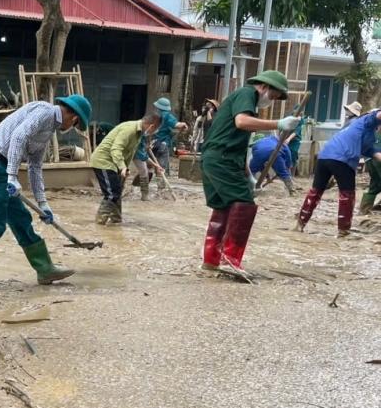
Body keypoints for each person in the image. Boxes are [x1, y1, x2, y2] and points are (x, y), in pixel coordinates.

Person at [0, 95, 92, 289]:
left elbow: (35, 167)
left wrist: (43, 203)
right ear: (73, 115)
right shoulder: (45, 111)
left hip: (1, 169)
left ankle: (45, 269)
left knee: (22, 220)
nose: (72, 127)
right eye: (76, 123)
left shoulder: (48, 130)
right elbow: (18, 136)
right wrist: (12, 176)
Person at [200, 70, 299, 277]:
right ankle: (230, 259)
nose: (270, 101)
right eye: (272, 96)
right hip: (222, 159)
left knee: (223, 207)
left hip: (216, 158)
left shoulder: (244, 99)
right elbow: (242, 122)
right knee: (245, 205)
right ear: (264, 87)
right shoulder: (247, 94)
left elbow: (239, 143)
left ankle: (211, 260)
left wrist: (248, 175)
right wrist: (278, 124)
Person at [297, 109, 381, 236]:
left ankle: (299, 224)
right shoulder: (368, 121)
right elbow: (377, 115)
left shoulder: (358, 128)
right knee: (347, 195)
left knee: (315, 192)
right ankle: (344, 231)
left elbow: (372, 152)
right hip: (343, 158)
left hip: (324, 157)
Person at [90, 113, 160, 224]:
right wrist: (122, 167)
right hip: (104, 161)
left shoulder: (139, 134)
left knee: (118, 191)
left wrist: (154, 165)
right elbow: (116, 149)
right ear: (152, 126)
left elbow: (139, 153)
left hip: (114, 164)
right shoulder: (129, 130)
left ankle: (116, 221)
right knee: (112, 193)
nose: (153, 133)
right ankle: (99, 223)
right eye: (155, 130)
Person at [151, 97, 177, 174]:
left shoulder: (155, 115)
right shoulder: (168, 116)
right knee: (162, 166)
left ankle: (145, 183)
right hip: (163, 143)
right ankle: (161, 184)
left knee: (150, 164)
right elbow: (176, 126)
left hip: (153, 143)